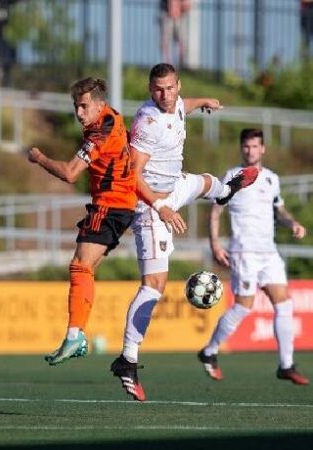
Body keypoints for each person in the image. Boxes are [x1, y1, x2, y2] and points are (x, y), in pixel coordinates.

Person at [110, 63, 258, 402]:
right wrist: (161, 207)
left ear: (177, 85)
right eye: (158, 90)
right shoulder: (148, 123)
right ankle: (128, 359)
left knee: (205, 182)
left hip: (174, 186)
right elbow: (132, 176)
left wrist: (203, 100)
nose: (165, 95)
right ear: (150, 90)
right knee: (154, 285)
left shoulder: (176, 102)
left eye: (170, 88)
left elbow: (183, 104)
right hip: (150, 204)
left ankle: (225, 191)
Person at [28, 77, 136, 366]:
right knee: (86, 271)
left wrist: (39, 158)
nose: (78, 112)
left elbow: (70, 173)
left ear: (100, 105)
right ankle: (78, 335)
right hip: (122, 205)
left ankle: (75, 335)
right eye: (76, 106)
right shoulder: (109, 117)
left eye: (84, 106)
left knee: (79, 266)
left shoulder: (100, 131)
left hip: (110, 205)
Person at [198, 128, 309, 386]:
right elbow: (215, 213)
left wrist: (292, 223)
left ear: (263, 149)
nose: (251, 151)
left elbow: (278, 210)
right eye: (246, 146)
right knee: (243, 307)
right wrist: (215, 243)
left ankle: (286, 364)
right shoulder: (232, 177)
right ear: (241, 148)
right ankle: (210, 350)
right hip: (244, 251)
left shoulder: (271, 179)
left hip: (268, 252)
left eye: (255, 146)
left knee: (284, 304)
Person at [160, 0, 191, 67]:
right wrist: (173, 5)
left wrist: (183, 4)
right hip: (167, 12)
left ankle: (179, 64)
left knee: (181, 40)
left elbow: (187, 5)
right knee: (166, 40)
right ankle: (167, 65)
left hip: (180, 13)